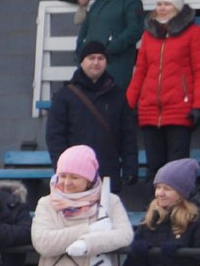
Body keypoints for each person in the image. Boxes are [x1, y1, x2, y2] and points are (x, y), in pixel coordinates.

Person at [129, 0, 200, 175]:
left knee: (176, 168)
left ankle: (177, 206)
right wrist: (129, 102)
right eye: (159, 4)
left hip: (179, 110)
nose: (161, 8)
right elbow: (140, 71)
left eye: (167, 4)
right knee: (154, 167)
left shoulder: (194, 33)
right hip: (149, 110)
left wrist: (198, 106)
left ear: (178, 7)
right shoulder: (148, 36)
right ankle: (155, 205)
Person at [50, 40, 139, 199]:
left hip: (108, 174)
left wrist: (130, 168)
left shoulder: (117, 95)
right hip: (76, 176)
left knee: (107, 221)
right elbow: (55, 137)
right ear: (82, 61)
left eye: (100, 58)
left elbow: (128, 135)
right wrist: (63, 170)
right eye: (91, 58)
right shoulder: (65, 96)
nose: (96, 62)